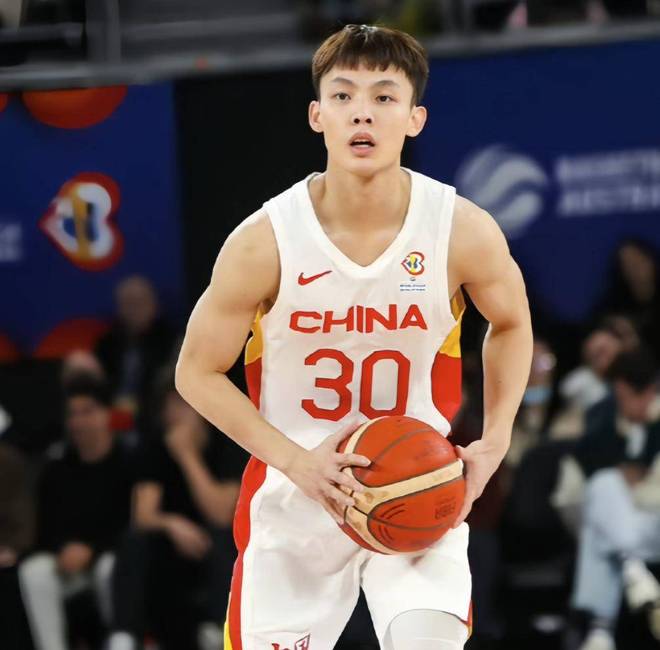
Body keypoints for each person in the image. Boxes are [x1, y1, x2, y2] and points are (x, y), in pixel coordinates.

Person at [175, 24, 533, 650]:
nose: (362, 113)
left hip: (418, 481)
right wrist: (298, 462)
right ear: (317, 116)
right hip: (296, 495)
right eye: (343, 96)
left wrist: (496, 438)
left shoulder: (460, 230)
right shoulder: (264, 241)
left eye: (384, 97)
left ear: (415, 119)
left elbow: (512, 323)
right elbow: (195, 373)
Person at [108, 368, 245, 650]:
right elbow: (143, 515)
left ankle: (216, 629)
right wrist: (172, 524)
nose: (174, 414)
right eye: (168, 405)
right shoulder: (156, 446)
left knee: (224, 537)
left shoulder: (227, 443)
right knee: (134, 541)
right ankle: (125, 635)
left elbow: (221, 513)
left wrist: (187, 455)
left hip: (213, 542)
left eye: (182, 403)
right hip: (170, 546)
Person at [18, 374, 134, 650]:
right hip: (67, 563)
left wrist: (93, 550)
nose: (79, 421)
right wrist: (63, 549)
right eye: (73, 414)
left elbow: (130, 524)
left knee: (111, 567)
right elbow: (45, 526)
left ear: (107, 414)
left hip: (108, 557)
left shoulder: (128, 464)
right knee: (35, 570)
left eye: (87, 411)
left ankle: (122, 639)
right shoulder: (56, 469)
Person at [569, 350, 660, 650]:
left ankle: (601, 627)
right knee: (603, 484)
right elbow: (587, 463)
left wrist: (640, 477)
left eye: (627, 398)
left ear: (650, 391)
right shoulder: (604, 415)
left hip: (653, 519)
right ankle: (632, 567)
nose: (621, 404)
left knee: (597, 529)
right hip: (629, 522)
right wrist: (625, 472)